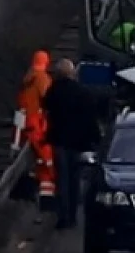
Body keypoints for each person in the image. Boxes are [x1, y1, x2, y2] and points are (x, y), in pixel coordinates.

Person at [42, 59, 101, 230]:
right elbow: (91, 119)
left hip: (59, 141)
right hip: (78, 143)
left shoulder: (54, 91)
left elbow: (46, 107)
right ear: (73, 73)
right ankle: (74, 216)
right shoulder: (83, 93)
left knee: (62, 179)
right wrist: (95, 139)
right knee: (75, 179)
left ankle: (63, 216)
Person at [14, 50, 56, 208]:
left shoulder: (27, 78)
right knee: (47, 160)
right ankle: (48, 198)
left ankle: (27, 191)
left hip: (24, 124)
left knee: (33, 161)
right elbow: (48, 99)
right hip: (37, 124)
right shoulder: (42, 78)